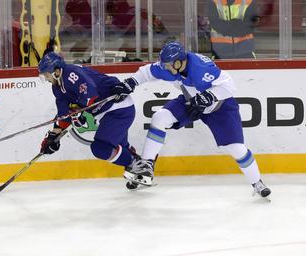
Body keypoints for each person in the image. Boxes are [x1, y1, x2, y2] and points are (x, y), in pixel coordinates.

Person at [114, 41, 271, 198]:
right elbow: (147, 71)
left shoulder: (201, 68)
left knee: (236, 148)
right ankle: (145, 167)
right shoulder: (170, 66)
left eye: (168, 65)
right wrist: (132, 81)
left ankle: (257, 183)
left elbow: (228, 84)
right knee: (159, 118)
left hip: (220, 107)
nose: (166, 68)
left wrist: (210, 95)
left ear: (178, 62)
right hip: (191, 102)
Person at [38, 52, 140, 188]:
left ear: (56, 71)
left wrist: (79, 110)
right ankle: (139, 166)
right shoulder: (57, 88)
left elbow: (89, 93)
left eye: (47, 74)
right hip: (106, 114)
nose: (46, 78)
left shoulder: (71, 73)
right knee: (118, 148)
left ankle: (135, 164)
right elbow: (64, 115)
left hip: (118, 108)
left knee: (100, 148)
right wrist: (53, 137)